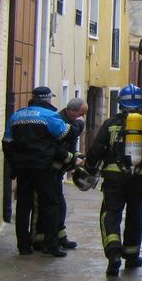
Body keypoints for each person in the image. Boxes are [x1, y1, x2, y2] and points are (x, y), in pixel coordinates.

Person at [84, 84, 142, 276]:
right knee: (135, 215)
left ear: (120, 103)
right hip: (139, 180)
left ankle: (113, 253)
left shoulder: (111, 125)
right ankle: (131, 256)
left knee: (111, 213)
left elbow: (96, 151)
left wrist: (88, 171)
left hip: (113, 179)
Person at [2, 86, 71, 257]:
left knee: (23, 206)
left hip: (23, 169)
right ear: (47, 99)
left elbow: (7, 143)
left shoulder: (16, 116)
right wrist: (77, 125)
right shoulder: (49, 116)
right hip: (43, 168)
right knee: (50, 205)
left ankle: (23, 246)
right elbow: (64, 134)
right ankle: (51, 245)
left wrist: (14, 165)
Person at [39, 98, 88, 251]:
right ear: (72, 111)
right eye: (80, 115)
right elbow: (58, 150)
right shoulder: (58, 122)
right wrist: (73, 160)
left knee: (59, 206)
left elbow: (71, 145)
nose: (81, 119)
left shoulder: (69, 122)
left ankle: (60, 237)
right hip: (49, 170)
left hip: (57, 171)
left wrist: (78, 156)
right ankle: (49, 241)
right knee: (54, 206)